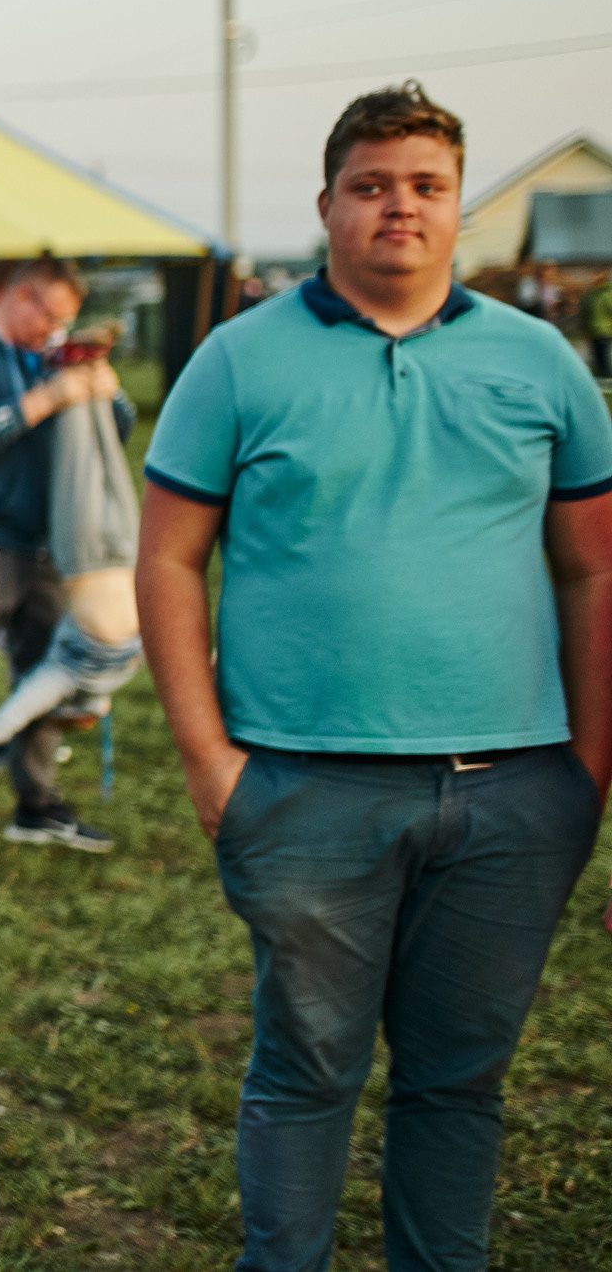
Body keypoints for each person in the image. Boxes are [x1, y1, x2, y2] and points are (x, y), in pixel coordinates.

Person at [139, 81, 612, 1272]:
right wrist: (211, 763)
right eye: (371, 185)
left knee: (461, 1081)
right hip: (304, 786)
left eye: (425, 185)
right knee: (304, 1071)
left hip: (515, 791)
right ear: (327, 204)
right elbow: (167, 557)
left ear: (460, 205)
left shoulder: (543, 363)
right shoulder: (238, 361)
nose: (398, 206)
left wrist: (589, 769)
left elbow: (592, 575)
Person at [0, 256, 128, 869]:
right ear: (22, 299)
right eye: (51, 316)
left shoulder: (54, 353)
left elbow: (112, 433)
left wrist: (105, 393)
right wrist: (43, 400)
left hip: (46, 543)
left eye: (66, 320)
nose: (56, 330)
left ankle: (36, 805)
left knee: (44, 672)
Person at [0, 337, 141, 757]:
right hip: (125, 554)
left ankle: (68, 370)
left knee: (78, 456)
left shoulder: (68, 673)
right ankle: (95, 378)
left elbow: (29, 700)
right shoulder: (125, 668)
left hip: (83, 559)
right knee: (106, 454)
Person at [584, 275, 612, 379]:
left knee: (603, 355)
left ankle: (606, 376)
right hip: (593, 330)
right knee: (597, 355)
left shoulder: (606, 294)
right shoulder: (593, 295)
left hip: (603, 329)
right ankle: (601, 375)